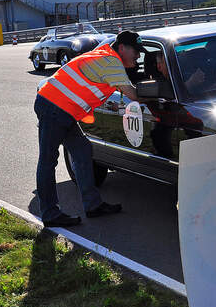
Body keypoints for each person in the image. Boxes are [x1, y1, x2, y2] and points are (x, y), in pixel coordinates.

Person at [34, 30, 145, 227]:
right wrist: (154, 87)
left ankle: (93, 205)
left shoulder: (105, 54)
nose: (138, 56)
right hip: (54, 106)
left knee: (83, 150)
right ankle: (50, 213)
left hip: (61, 108)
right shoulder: (111, 62)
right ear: (121, 48)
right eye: (135, 51)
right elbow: (133, 95)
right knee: (48, 160)